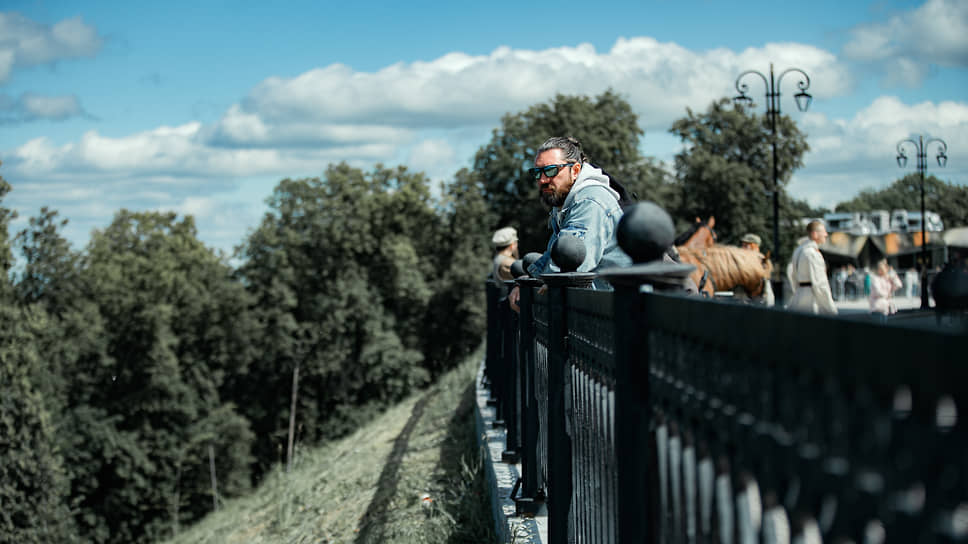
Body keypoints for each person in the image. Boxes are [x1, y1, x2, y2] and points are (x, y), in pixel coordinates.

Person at [508, 136, 632, 311]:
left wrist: (531, 298)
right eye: (537, 173)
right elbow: (554, 256)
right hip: (603, 311)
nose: (542, 180)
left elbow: (569, 266)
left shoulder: (590, 201)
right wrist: (525, 284)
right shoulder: (566, 203)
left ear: (575, 170)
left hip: (620, 314)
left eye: (551, 171)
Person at [785, 220, 838, 315]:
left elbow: (792, 275)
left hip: (799, 296)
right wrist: (831, 309)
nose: (826, 234)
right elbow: (820, 284)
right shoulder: (813, 254)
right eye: (823, 232)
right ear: (815, 234)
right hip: (812, 301)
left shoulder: (798, 251)